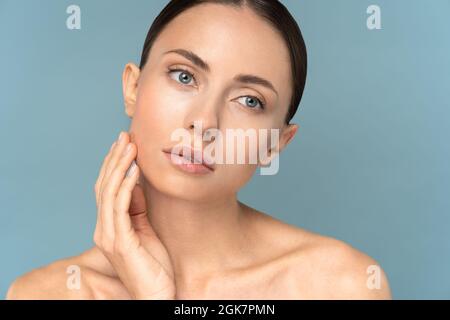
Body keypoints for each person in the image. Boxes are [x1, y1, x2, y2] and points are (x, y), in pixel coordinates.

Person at [7, 0, 391, 299]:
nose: (205, 122)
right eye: (184, 76)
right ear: (133, 88)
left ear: (275, 143)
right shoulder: (43, 294)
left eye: (249, 100)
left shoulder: (339, 286)